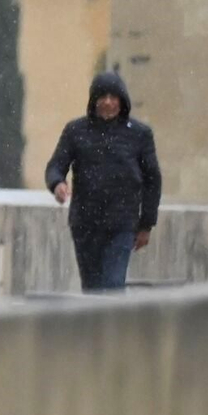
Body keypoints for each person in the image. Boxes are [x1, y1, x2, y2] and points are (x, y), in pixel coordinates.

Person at [44, 71, 161, 292]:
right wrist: (57, 184)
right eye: (102, 96)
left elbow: (152, 180)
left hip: (122, 225)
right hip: (85, 225)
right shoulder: (76, 131)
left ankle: (114, 316)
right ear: (94, 100)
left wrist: (146, 224)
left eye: (113, 97)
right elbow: (55, 166)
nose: (108, 102)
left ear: (122, 101)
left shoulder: (140, 135)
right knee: (92, 289)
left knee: (113, 286)